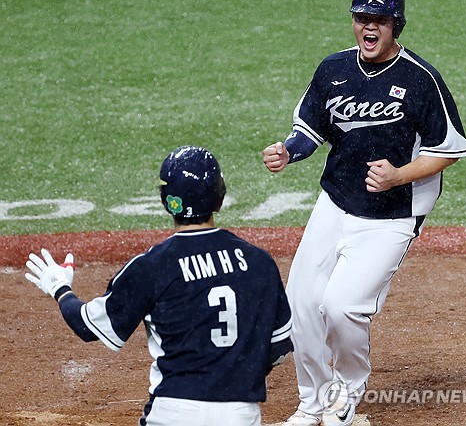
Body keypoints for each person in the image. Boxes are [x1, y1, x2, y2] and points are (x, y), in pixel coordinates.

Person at [262, 0, 466, 426]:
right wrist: (288, 151)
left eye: (379, 20)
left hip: (393, 215)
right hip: (336, 202)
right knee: (301, 300)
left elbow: (448, 149)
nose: (368, 28)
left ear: (397, 26)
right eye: (362, 19)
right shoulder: (333, 69)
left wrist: (399, 175)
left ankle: (343, 400)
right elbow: (311, 129)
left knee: (341, 306)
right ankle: (312, 402)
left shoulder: (421, 79)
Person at [25, 145, 293, 426]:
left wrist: (58, 287)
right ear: (220, 197)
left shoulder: (152, 266)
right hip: (240, 414)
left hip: (173, 413)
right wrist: (231, 377)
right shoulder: (259, 261)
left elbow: (86, 326)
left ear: (168, 200)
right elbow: (280, 348)